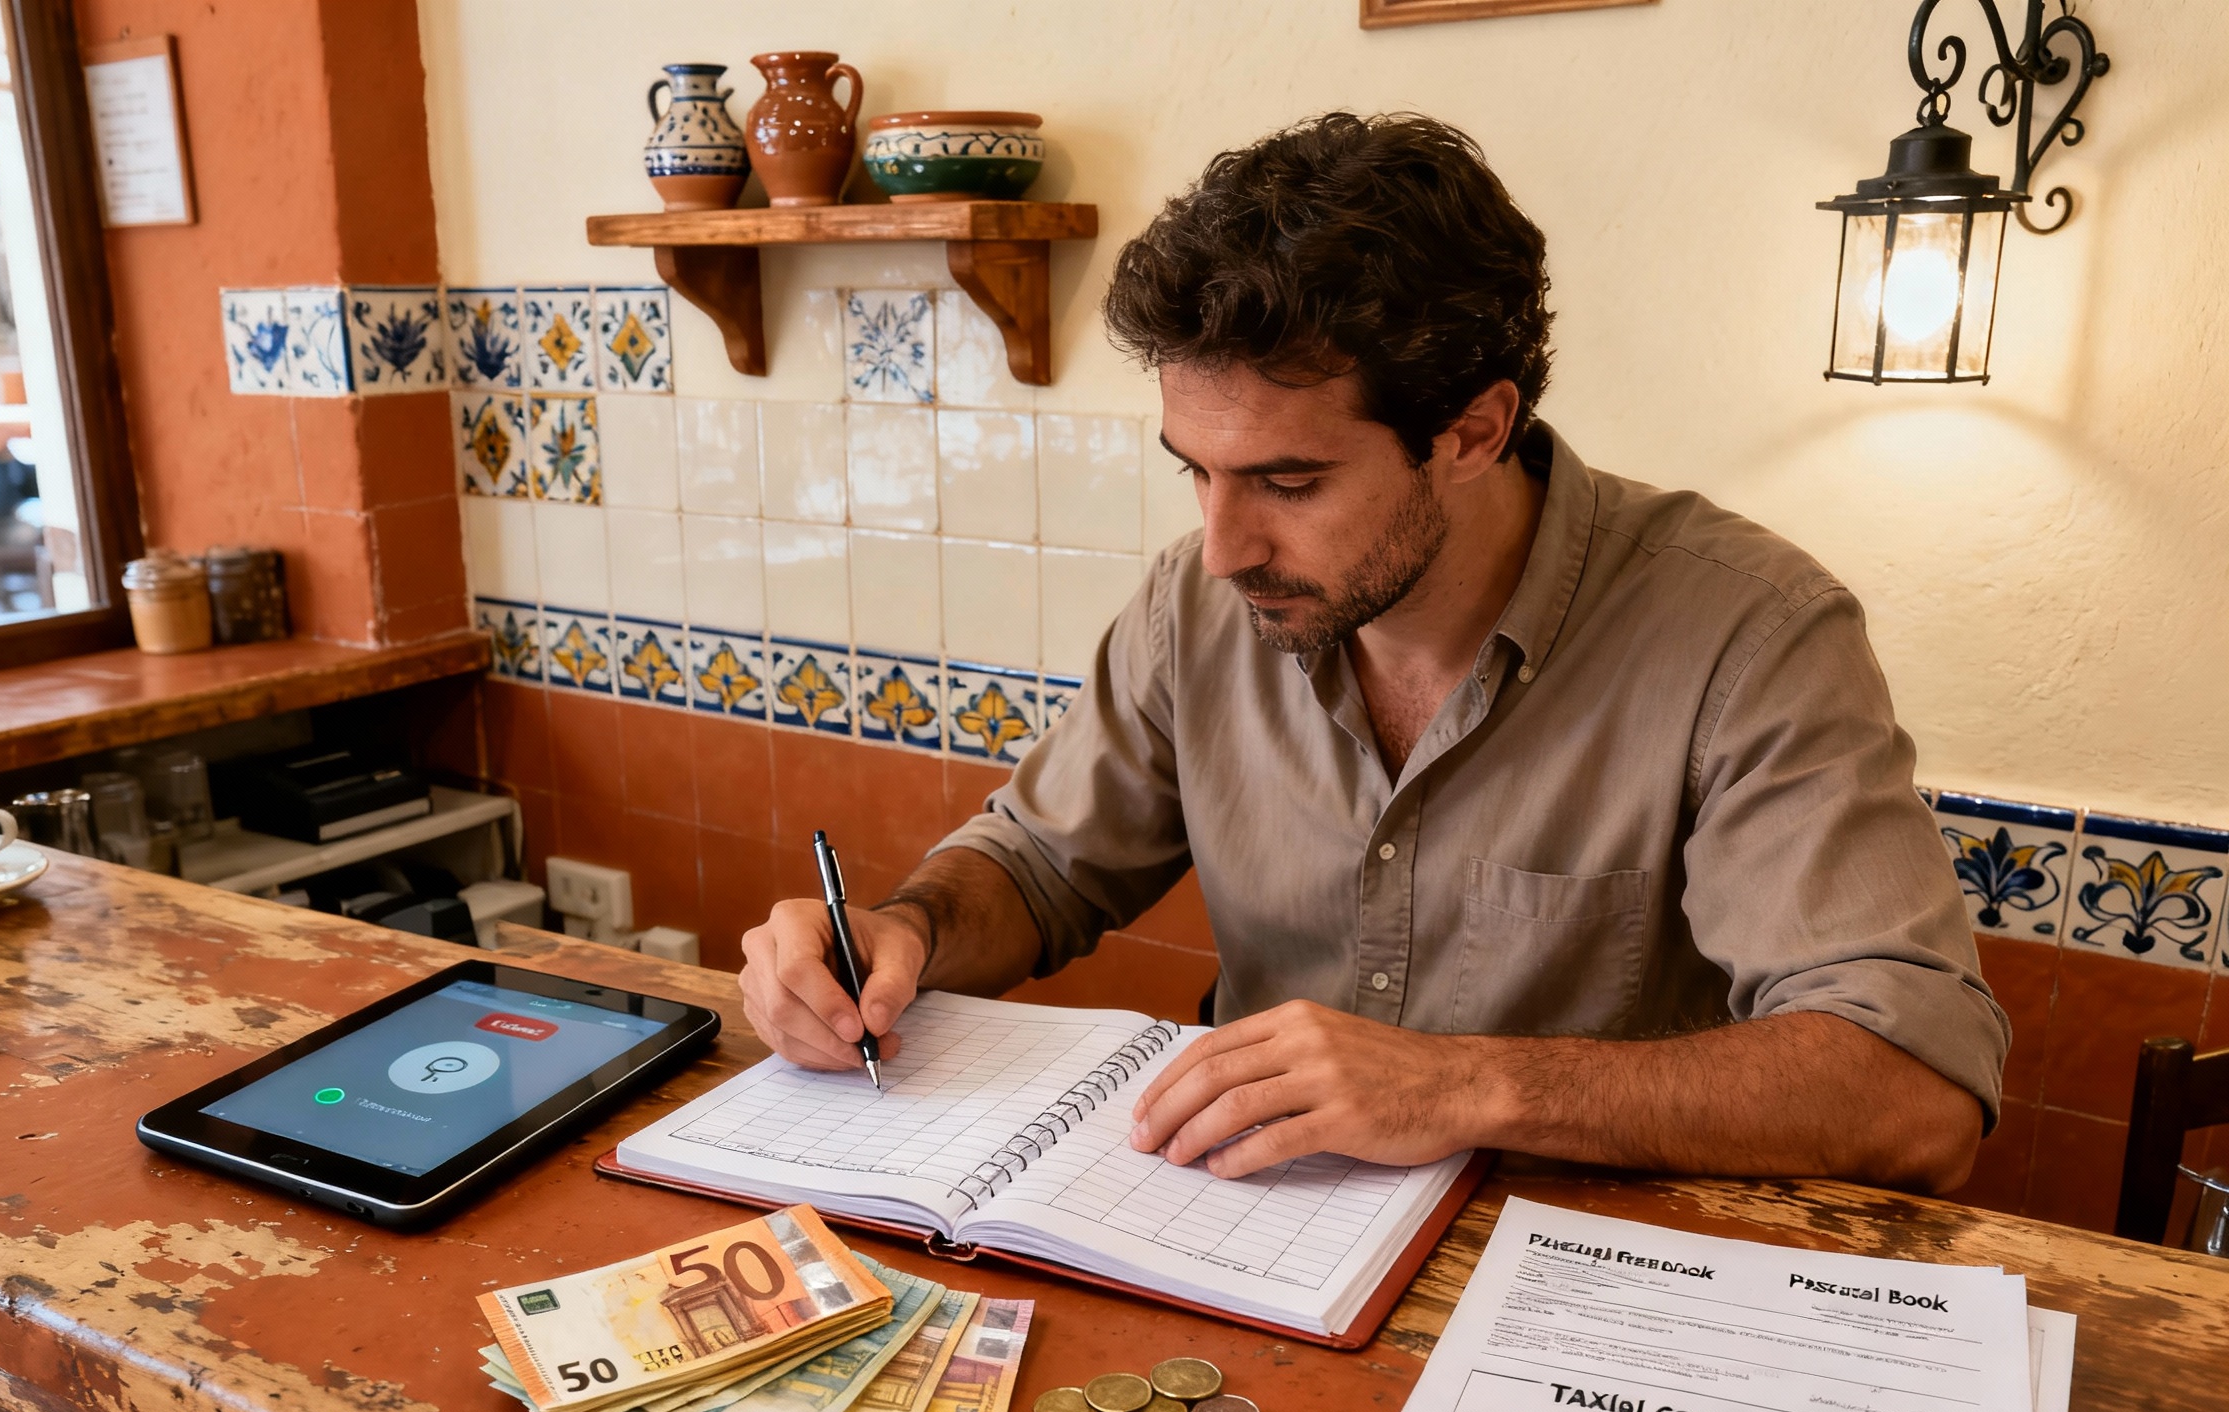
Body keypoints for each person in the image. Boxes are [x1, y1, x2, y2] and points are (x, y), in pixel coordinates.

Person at [739, 112, 2006, 1193]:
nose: (1224, 545)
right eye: (1198, 472)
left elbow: (1915, 1088)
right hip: (1239, 1235)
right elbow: (1041, 866)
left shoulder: (1751, 634)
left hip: (1592, 1291)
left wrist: (1469, 1086)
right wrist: (896, 936)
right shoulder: (1201, 602)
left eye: (1287, 480)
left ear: (1472, 430)